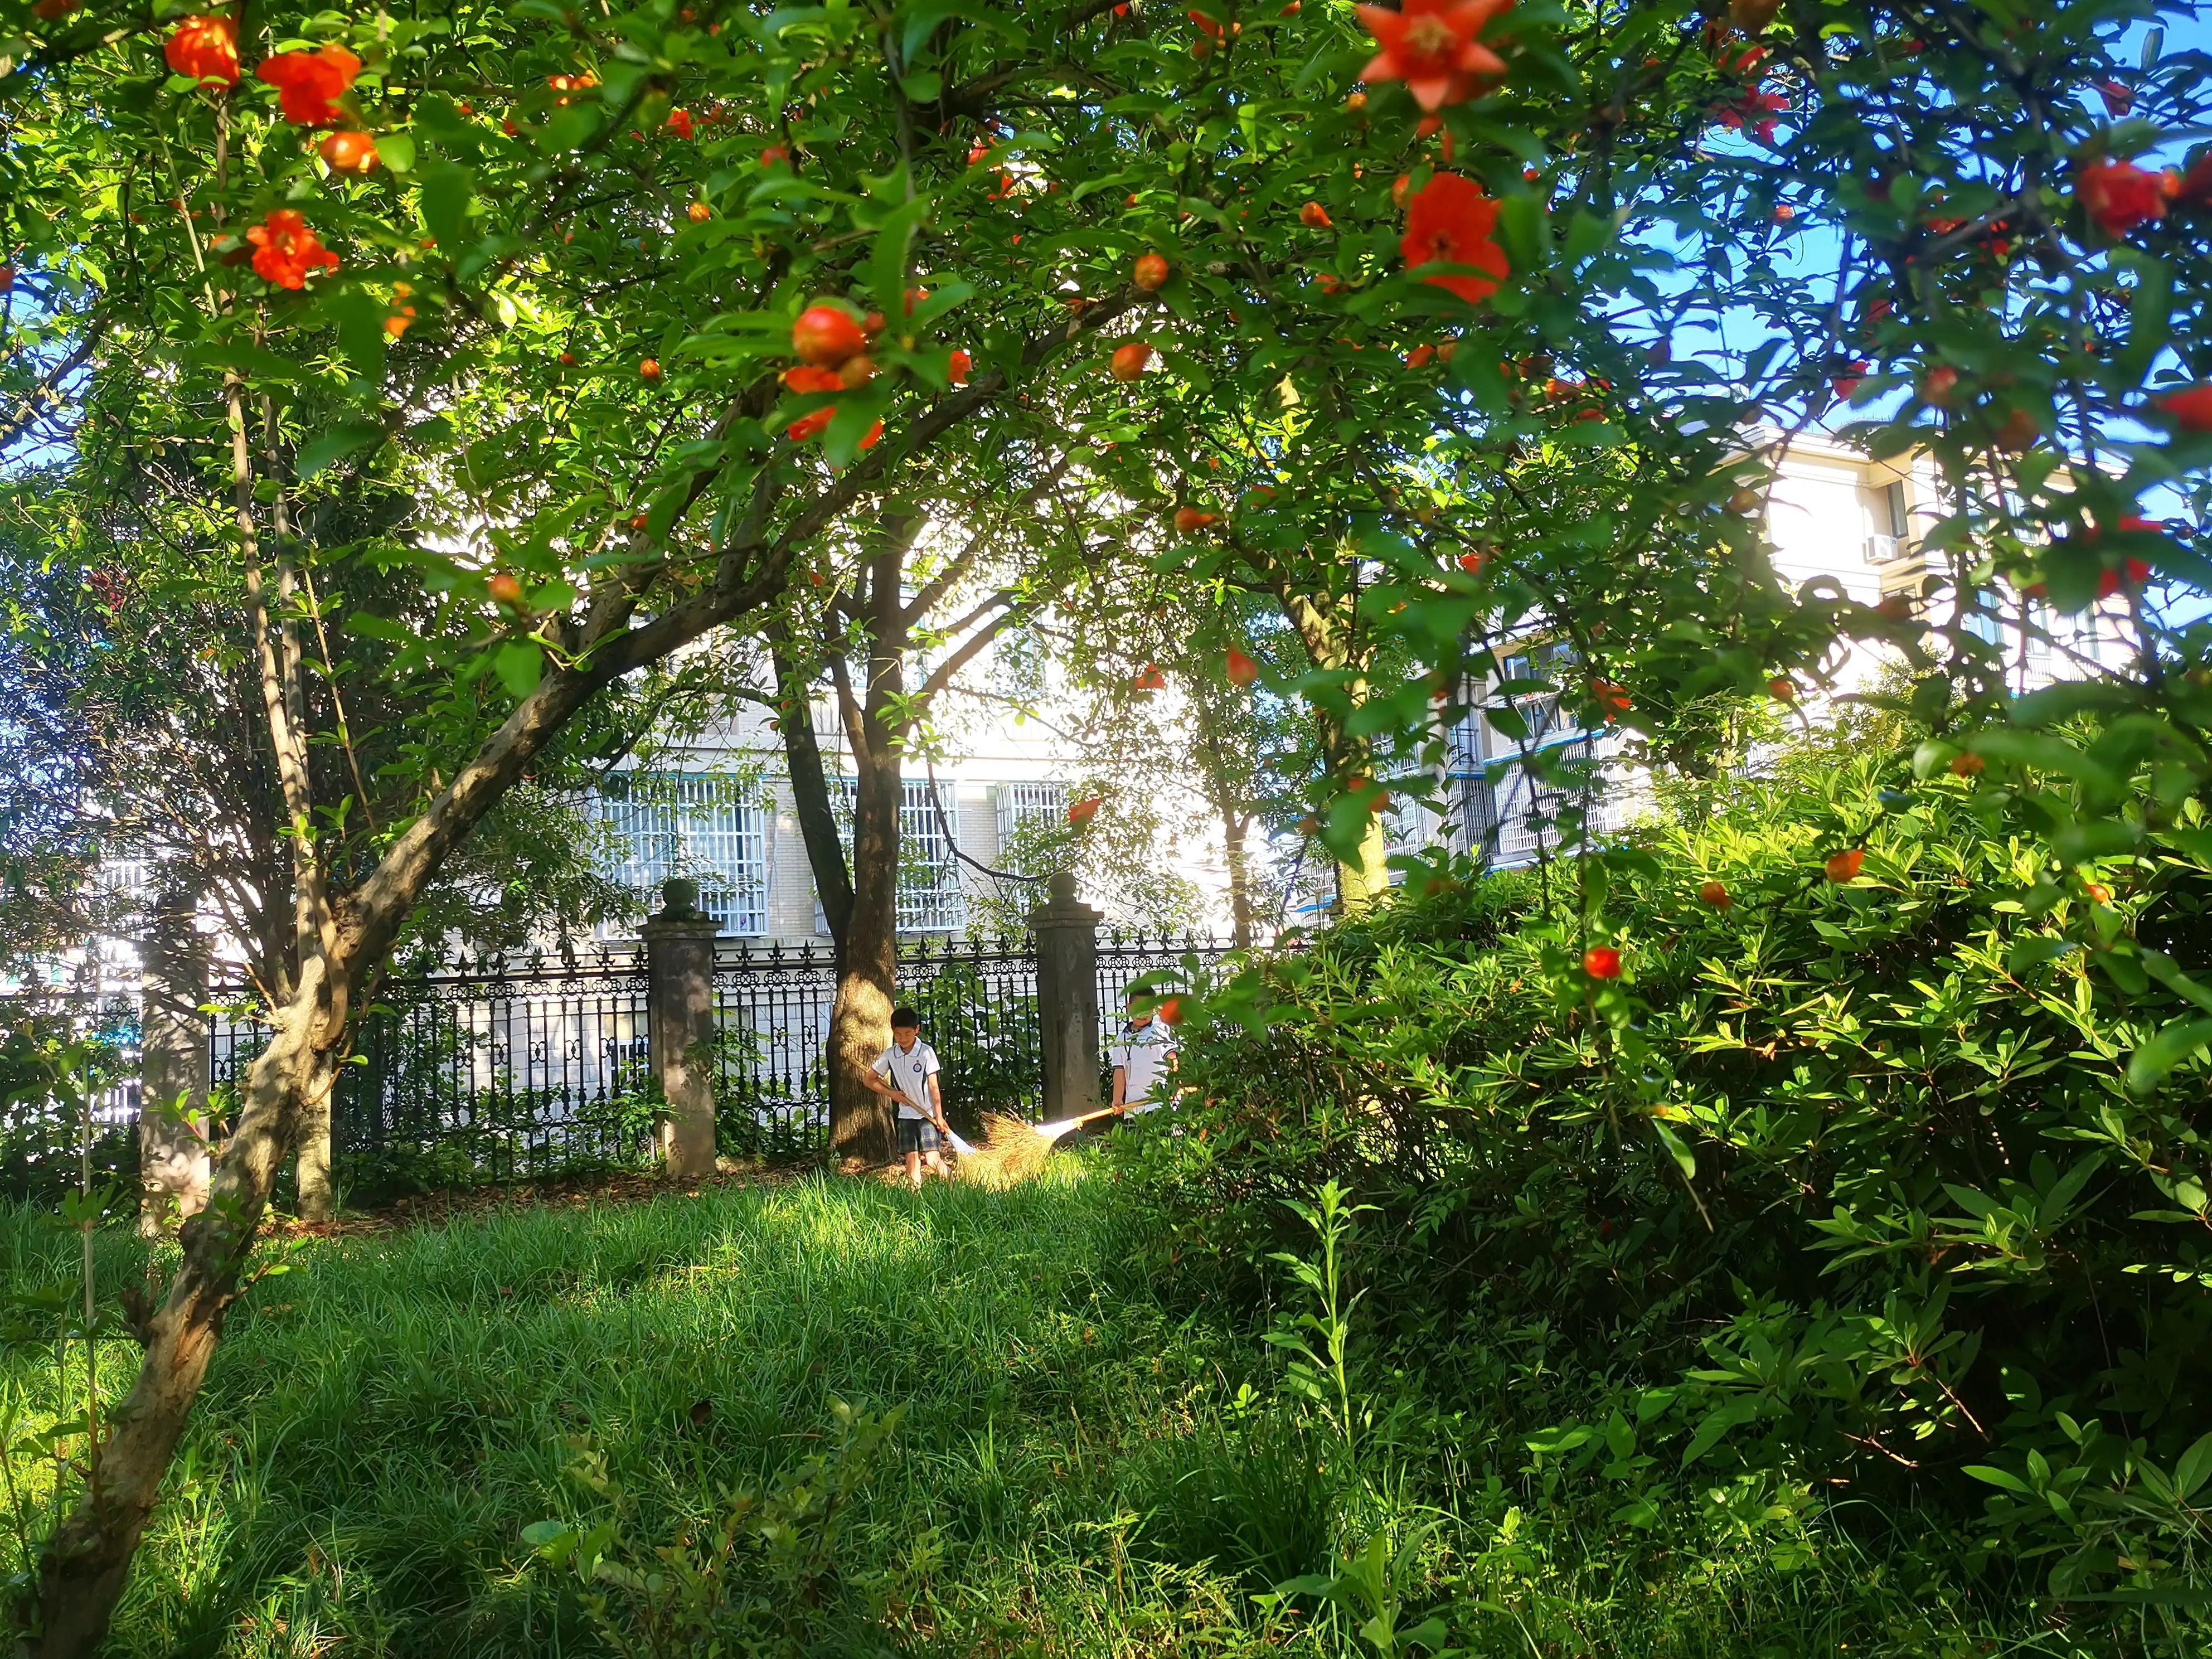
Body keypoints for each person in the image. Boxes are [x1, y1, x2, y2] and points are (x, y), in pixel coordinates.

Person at [866, 1006, 953, 1189]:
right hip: (906, 1116)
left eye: (908, 1033)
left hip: (926, 1114)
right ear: (893, 1033)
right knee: (912, 1160)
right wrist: (892, 1094)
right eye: (898, 1034)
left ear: (917, 1030)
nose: (903, 1039)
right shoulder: (891, 1055)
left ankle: (954, 1187)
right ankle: (915, 1195)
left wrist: (939, 1115)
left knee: (932, 1158)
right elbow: (869, 1079)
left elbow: (933, 1086)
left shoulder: (926, 1052)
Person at [1109, 993, 1180, 1120]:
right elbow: (1120, 1071)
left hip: (1160, 1103)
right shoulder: (1121, 1039)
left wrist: (1175, 1086)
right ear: (1129, 1008)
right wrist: (1118, 1099)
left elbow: (1172, 1059)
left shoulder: (1160, 1030)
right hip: (1133, 1106)